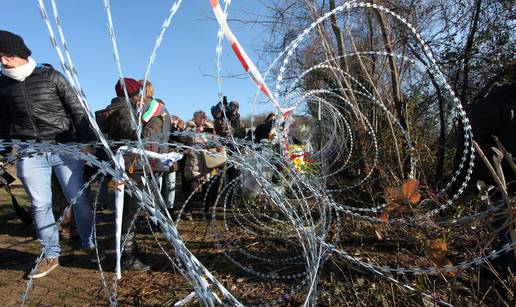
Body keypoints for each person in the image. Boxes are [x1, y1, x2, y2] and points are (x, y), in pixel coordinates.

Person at [0, 30, 101, 278]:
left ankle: (90, 244)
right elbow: (2, 123)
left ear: (21, 53)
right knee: (39, 205)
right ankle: (50, 254)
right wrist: (3, 154)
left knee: (79, 199)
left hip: (64, 146)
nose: (3, 61)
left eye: (7, 55)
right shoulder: (2, 85)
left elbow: (78, 111)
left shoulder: (51, 77)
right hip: (29, 150)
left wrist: (88, 142)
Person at [103, 77, 171, 271]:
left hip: (129, 166)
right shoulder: (123, 111)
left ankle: (130, 249)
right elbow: (140, 136)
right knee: (128, 212)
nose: (141, 97)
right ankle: (126, 256)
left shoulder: (120, 109)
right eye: (138, 93)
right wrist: (157, 119)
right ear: (132, 94)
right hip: (130, 168)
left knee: (129, 210)